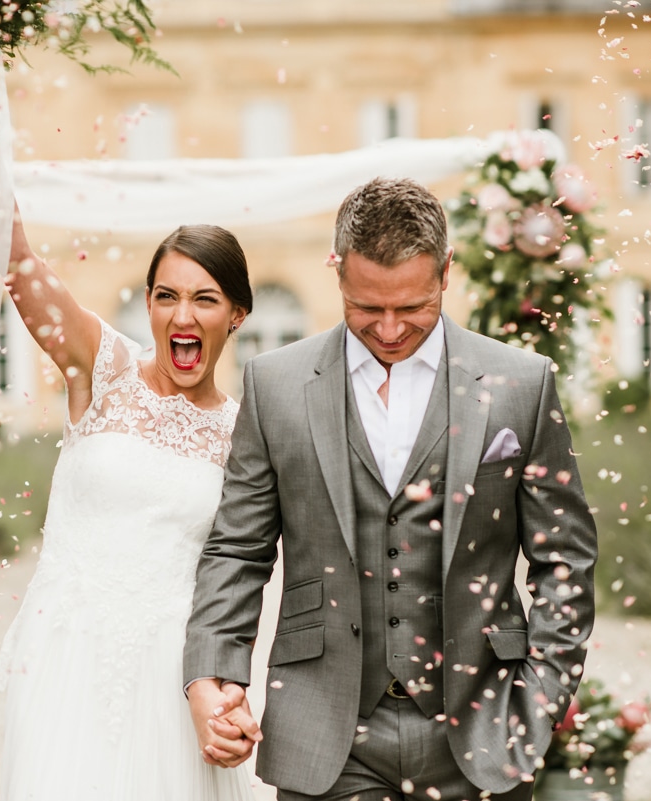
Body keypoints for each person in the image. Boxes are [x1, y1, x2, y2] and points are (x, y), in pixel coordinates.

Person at [184, 177, 598, 801]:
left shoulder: (521, 383)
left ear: (446, 273)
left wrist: (538, 700)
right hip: (326, 733)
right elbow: (237, 551)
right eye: (366, 306)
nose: (388, 328)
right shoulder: (276, 384)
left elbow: (563, 557)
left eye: (412, 308)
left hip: (485, 733)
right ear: (337, 272)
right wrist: (214, 675)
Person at [0, 181, 259, 800]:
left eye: (204, 299)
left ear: (236, 315)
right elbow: (16, 257)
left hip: (175, 675)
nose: (182, 316)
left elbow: (244, 564)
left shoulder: (246, 434)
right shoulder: (103, 370)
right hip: (67, 654)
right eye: (166, 297)